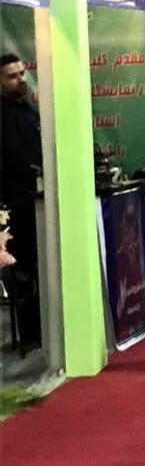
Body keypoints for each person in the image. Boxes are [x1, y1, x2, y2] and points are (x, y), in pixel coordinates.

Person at [0, 54, 43, 348]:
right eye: (12, 76)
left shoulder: (27, 110)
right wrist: (39, 170)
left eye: (22, 73)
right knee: (25, 270)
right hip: (16, 205)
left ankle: (45, 330)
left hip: (37, 202)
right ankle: (31, 336)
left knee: (41, 268)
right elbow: (15, 157)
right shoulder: (3, 115)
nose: (20, 79)